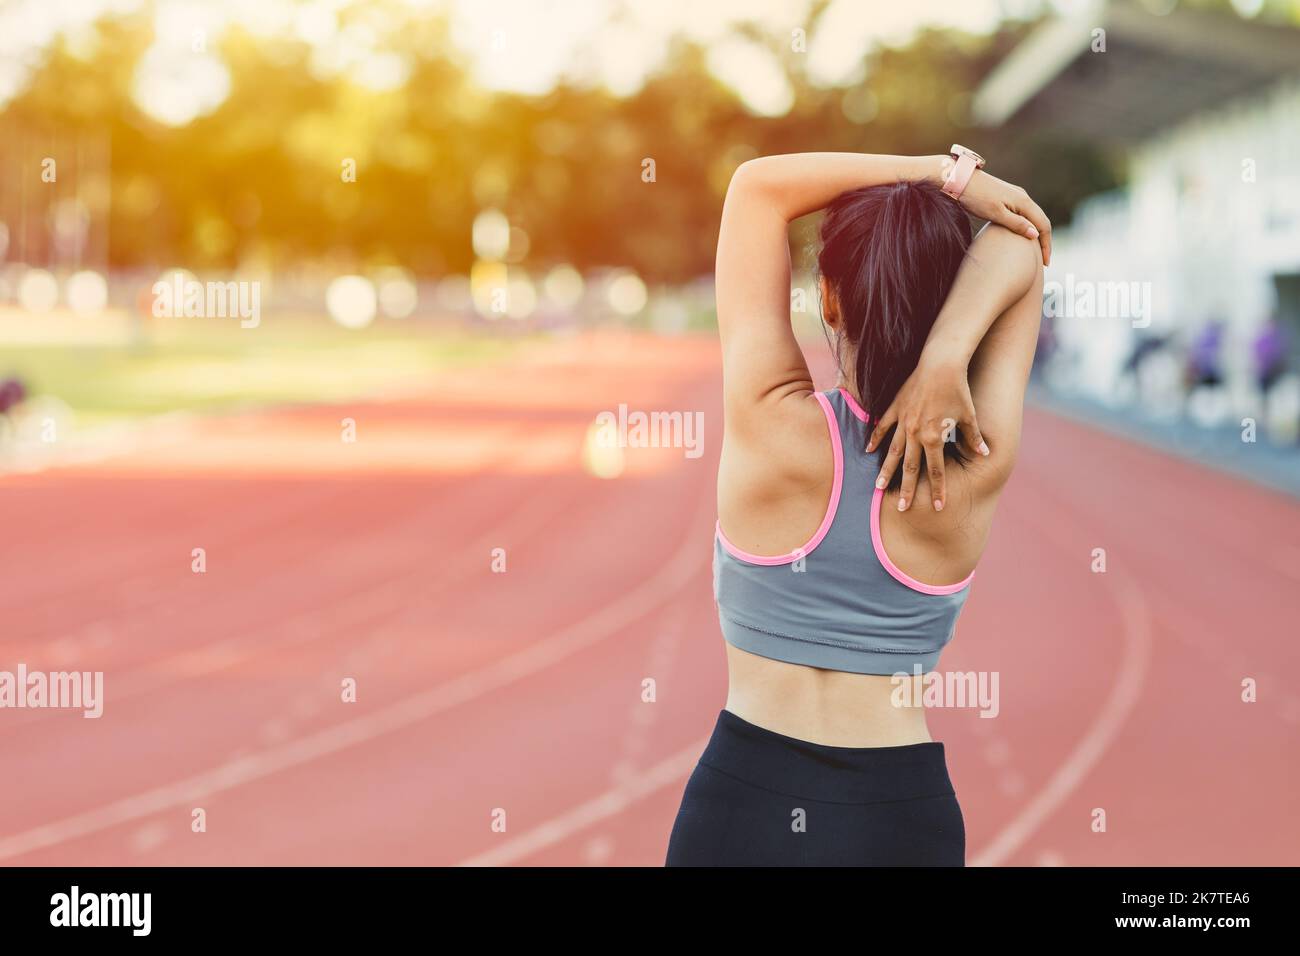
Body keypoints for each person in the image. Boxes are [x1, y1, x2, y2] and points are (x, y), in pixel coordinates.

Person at [665, 150, 1048, 866]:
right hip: (899, 820)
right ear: (952, 305)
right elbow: (1026, 241)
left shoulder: (769, 425)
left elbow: (755, 188)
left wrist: (944, 172)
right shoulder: (975, 464)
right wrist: (946, 353)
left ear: (829, 298)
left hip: (741, 807)